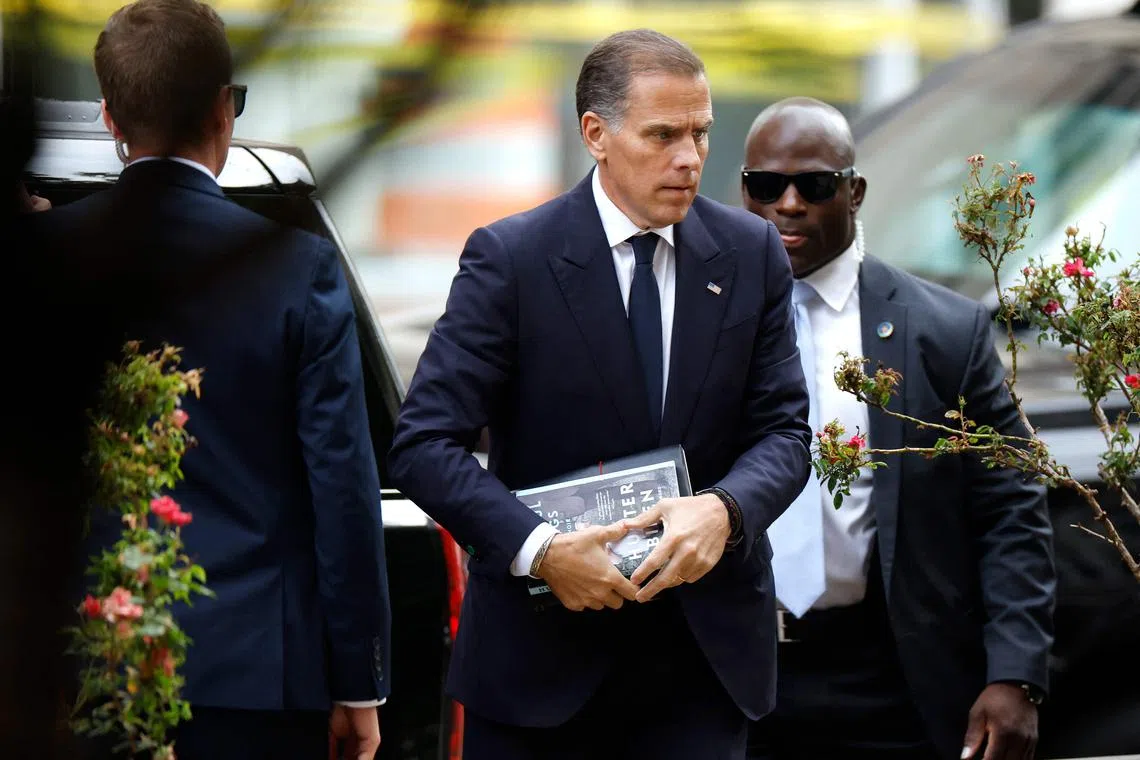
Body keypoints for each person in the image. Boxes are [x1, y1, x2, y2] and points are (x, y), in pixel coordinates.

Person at [389, 28, 812, 760]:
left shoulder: (751, 254)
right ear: (596, 135)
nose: (689, 158)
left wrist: (726, 510)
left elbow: (785, 433)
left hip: (702, 672)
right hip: (540, 674)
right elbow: (424, 445)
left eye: (701, 134)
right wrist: (541, 549)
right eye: (663, 135)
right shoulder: (512, 259)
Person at [35, 2, 390, 758]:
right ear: (224, 111)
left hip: (76, 670)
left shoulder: (39, 263)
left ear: (108, 118)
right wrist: (358, 681)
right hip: (259, 678)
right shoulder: (299, 269)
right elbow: (343, 487)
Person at [740, 97, 1057, 760]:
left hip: (891, 681)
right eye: (766, 186)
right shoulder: (706, 320)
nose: (789, 204)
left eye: (815, 186)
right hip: (738, 678)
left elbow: (1011, 507)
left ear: (853, 192)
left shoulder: (941, 330)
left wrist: (1015, 673)